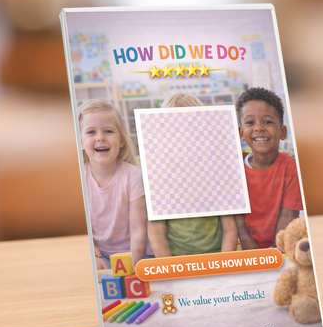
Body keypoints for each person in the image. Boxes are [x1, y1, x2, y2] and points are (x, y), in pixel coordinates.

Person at [149, 94, 240, 257]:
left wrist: (223, 264)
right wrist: (171, 270)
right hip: (178, 262)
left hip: (217, 258)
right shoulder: (160, 177)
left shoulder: (217, 172)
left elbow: (230, 228)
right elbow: (156, 232)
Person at [77, 99, 148, 268]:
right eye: (91, 132)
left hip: (137, 254)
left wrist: (133, 266)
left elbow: (138, 231)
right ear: (80, 142)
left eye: (108, 131)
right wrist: (94, 255)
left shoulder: (133, 176)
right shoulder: (79, 177)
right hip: (100, 255)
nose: (100, 138)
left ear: (122, 140)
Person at [234, 86, 302, 251]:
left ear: (283, 132)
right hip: (246, 245)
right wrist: (247, 242)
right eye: (250, 122)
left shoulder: (291, 168)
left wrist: (274, 252)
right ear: (241, 133)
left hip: (283, 246)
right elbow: (237, 219)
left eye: (267, 121)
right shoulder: (235, 165)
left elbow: (287, 218)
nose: (259, 128)